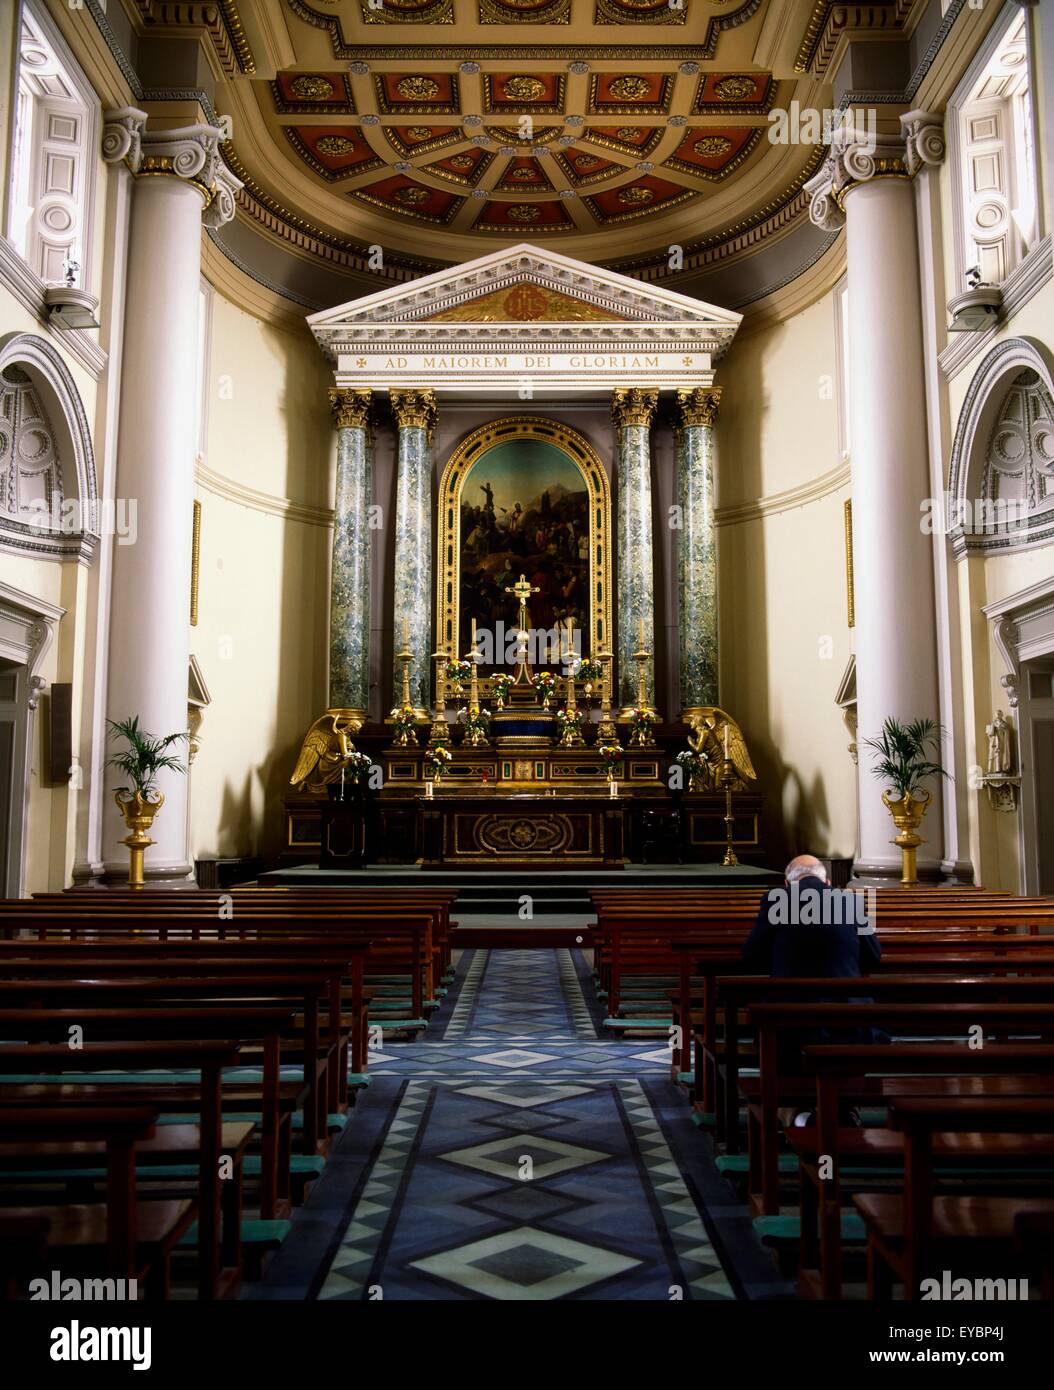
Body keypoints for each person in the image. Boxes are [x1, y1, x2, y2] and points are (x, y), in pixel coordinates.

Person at [742, 854, 882, 1127]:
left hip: (790, 1021)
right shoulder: (850, 901)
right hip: (850, 1018)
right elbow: (873, 956)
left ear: (787, 883)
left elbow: (751, 956)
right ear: (827, 881)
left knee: (776, 1031)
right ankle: (847, 1108)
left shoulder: (776, 900)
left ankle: (796, 1113)